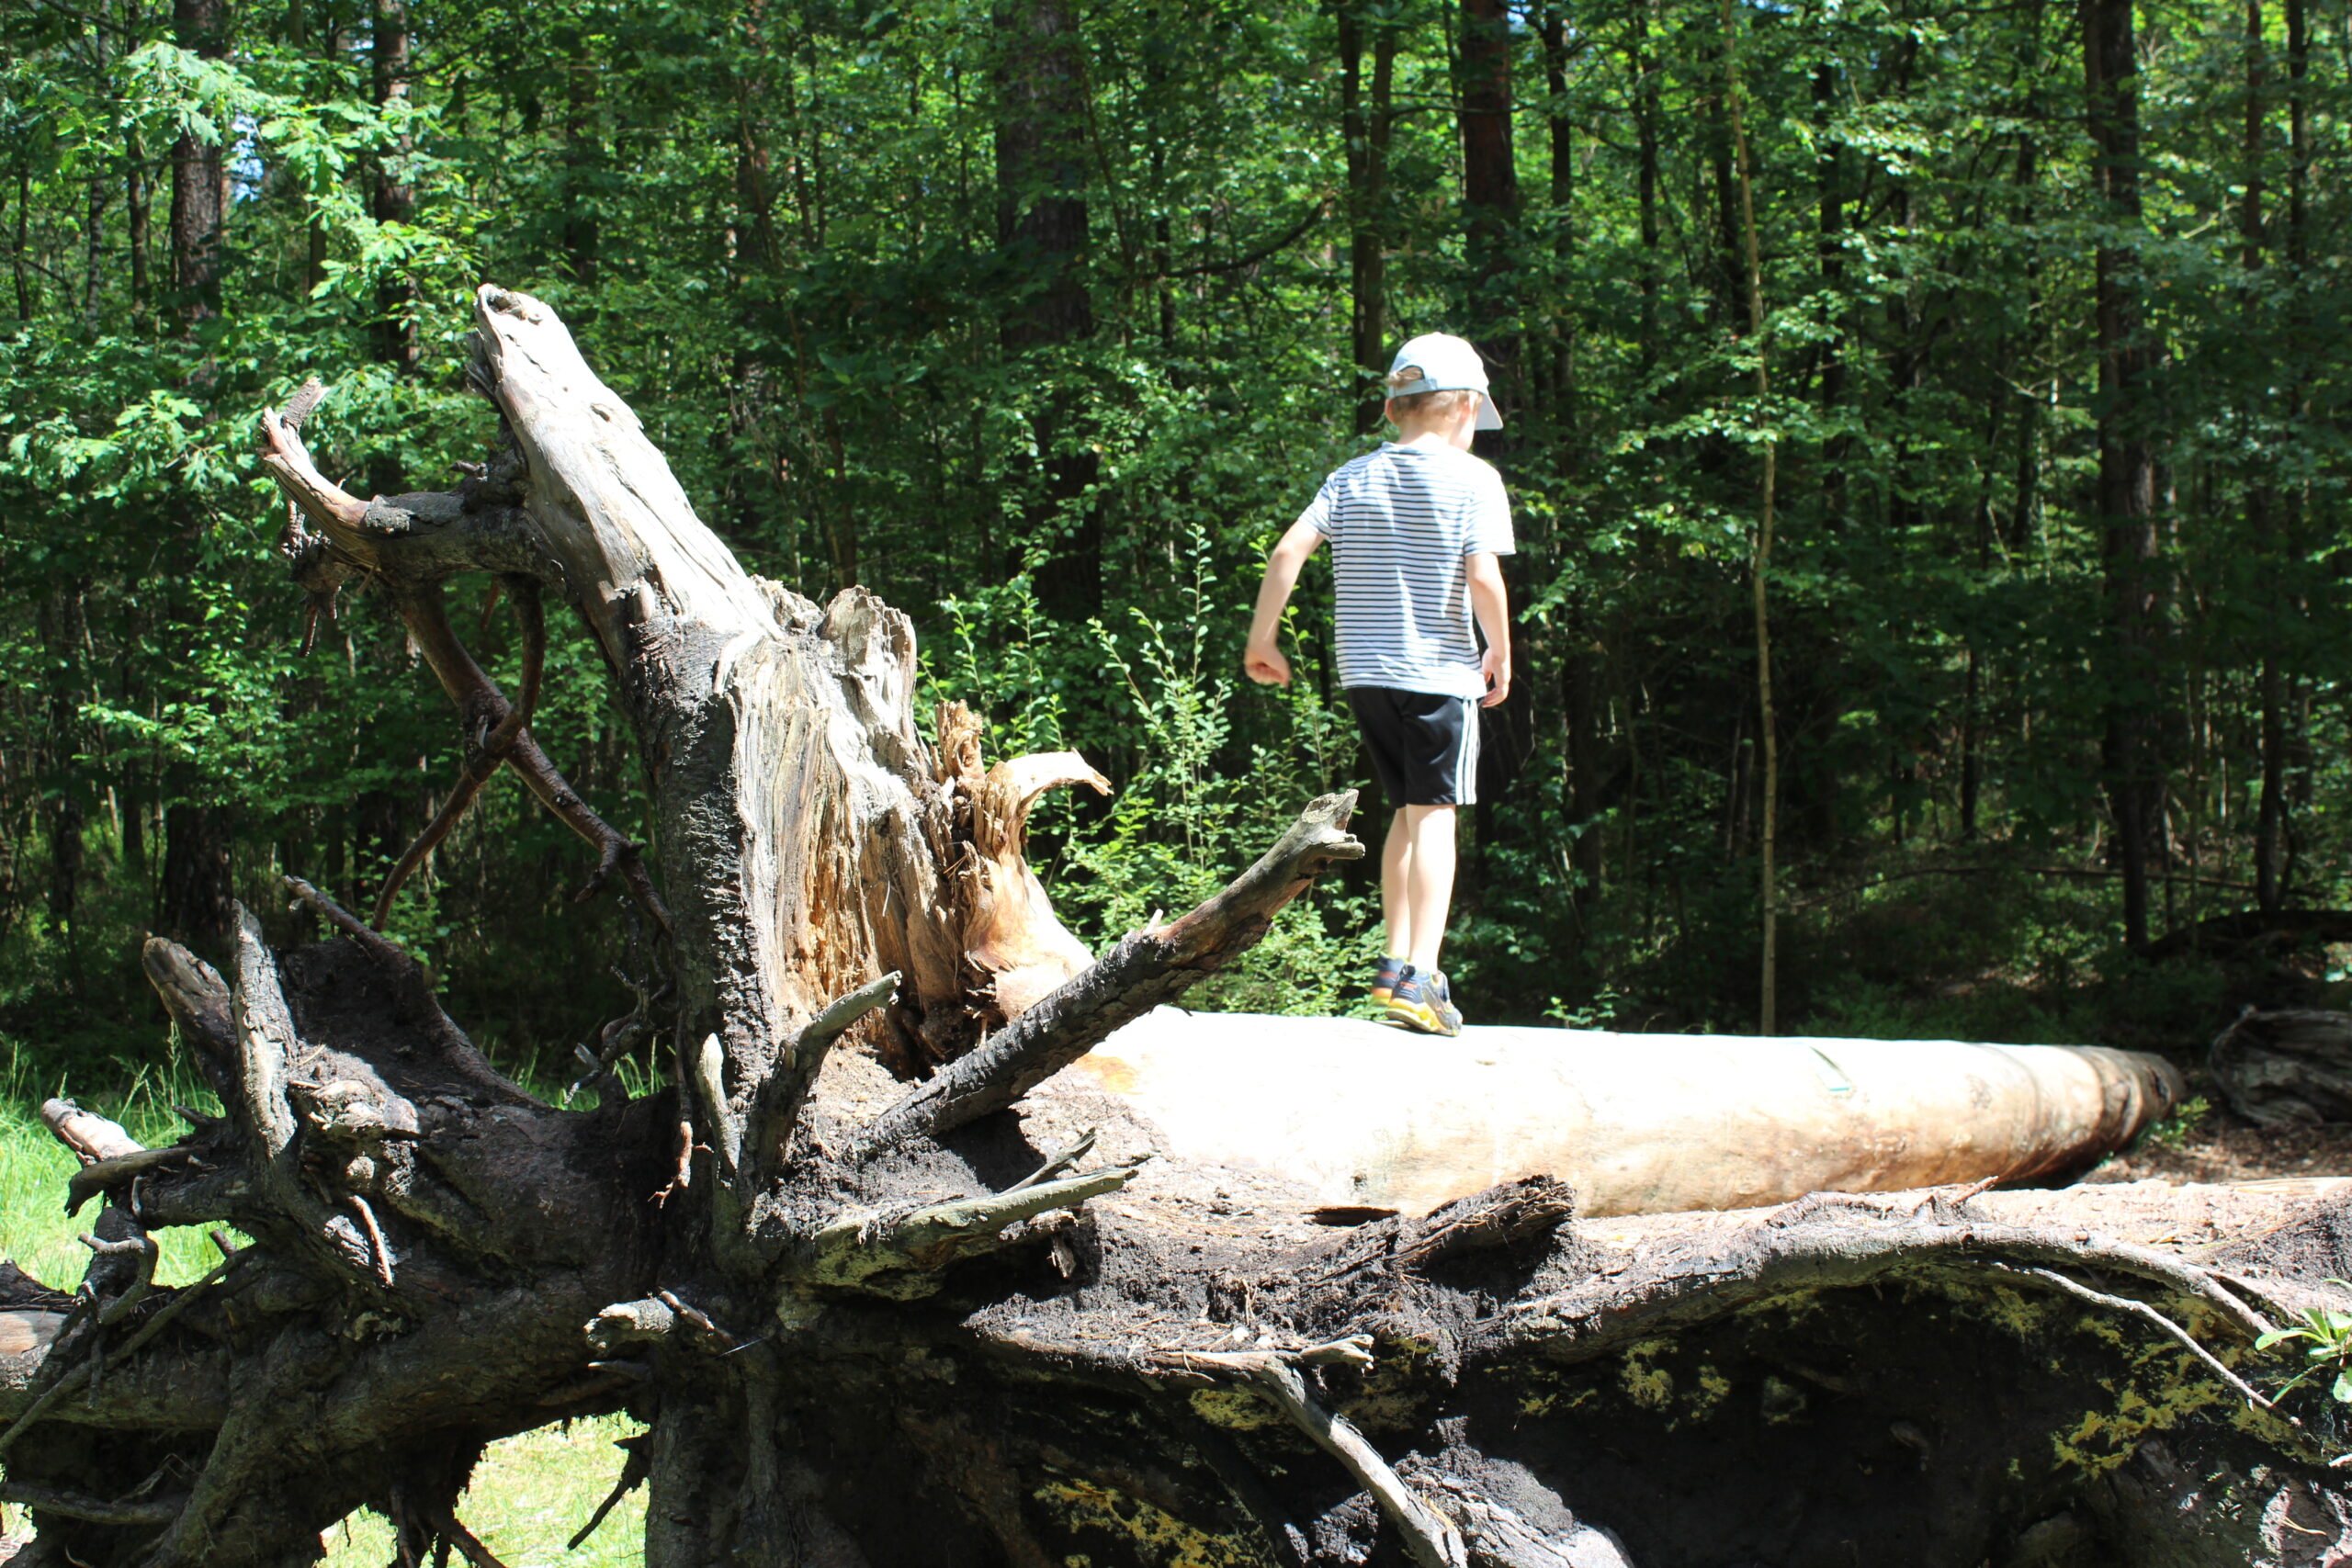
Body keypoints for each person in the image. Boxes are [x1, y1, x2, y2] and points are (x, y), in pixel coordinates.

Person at [1242, 333, 1514, 1037]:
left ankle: (1394, 967)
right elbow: (1483, 577)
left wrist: (1262, 638)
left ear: (1395, 410)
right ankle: (1423, 975)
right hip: (1438, 673)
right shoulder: (1472, 479)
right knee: (1438, 818)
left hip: (1366, 675)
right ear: (1466, 408)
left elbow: (1288, 549)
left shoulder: (1351, 477)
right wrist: (1501, 649)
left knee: (1406, 809)